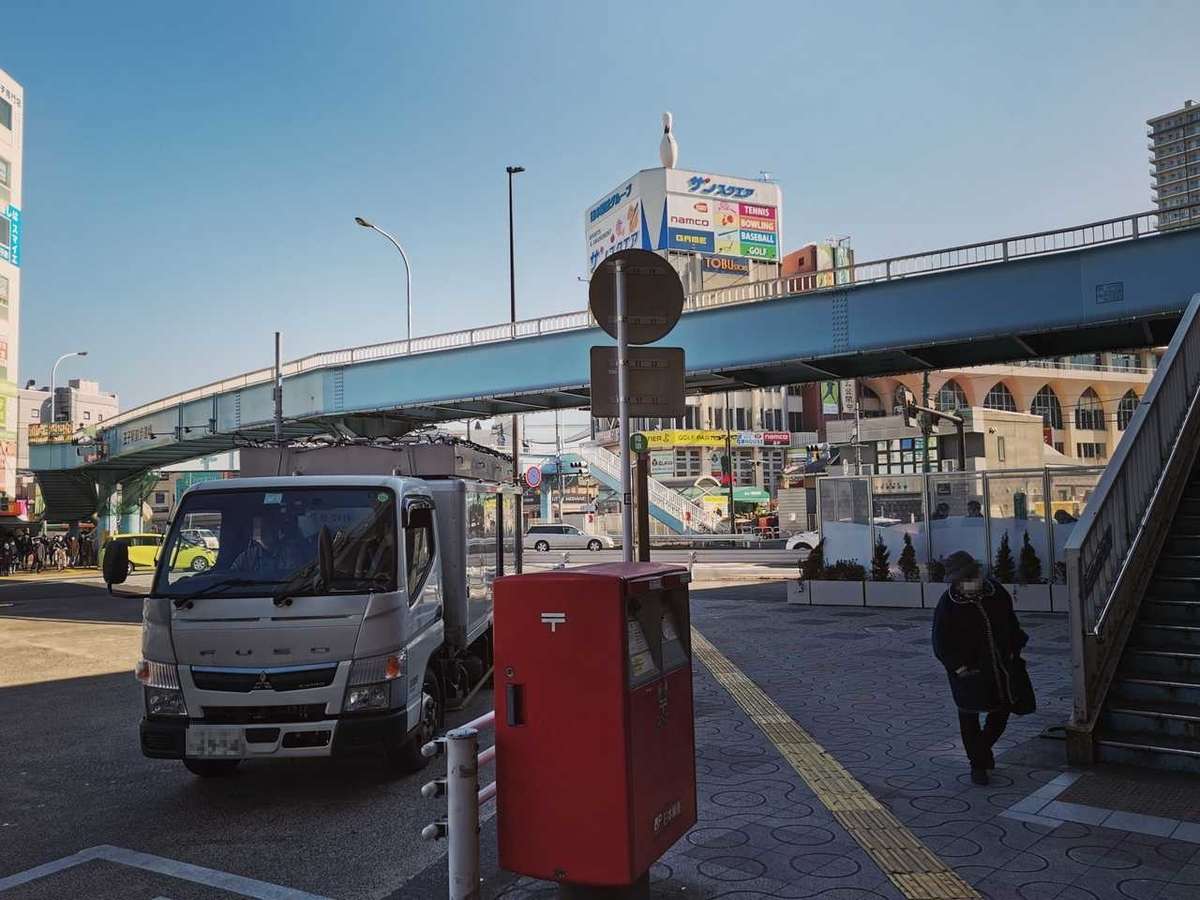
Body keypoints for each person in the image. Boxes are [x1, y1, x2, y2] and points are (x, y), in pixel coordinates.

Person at [931, 550, 1031, 785]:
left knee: (1001, 712)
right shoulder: (948, 603)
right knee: (969, 716)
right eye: (959, 581)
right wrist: (958, 667)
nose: (965, 584)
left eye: (968, 577)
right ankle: (977, 765)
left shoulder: (996, 593)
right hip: (967, 671)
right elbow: (940, 641)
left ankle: (982, 751)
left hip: (1001, 668)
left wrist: (1015, 649)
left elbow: (1011, 623)